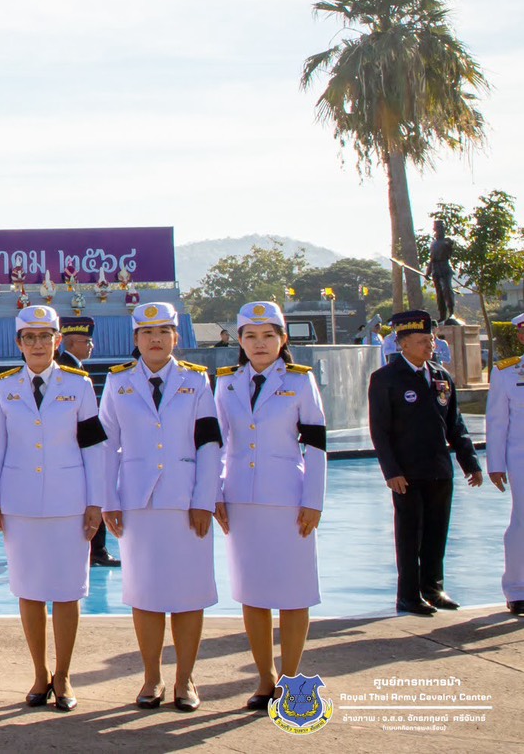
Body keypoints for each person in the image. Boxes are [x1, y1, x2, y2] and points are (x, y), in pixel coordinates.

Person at [0, 305, 105, 712]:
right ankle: (40, 673)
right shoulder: (4, 387)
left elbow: (93, 446)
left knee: (68, 592)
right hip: (19, 503)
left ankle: (64, 675)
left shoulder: (79, 385)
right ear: (19, 344)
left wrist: (96, 501)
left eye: (45, 337)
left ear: (58, 341)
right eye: (29, 338)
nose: (37, 345)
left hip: (69, 502)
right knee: (29, 590)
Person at [100, 302, 220, 712]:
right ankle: (152, 677)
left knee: (189, 593)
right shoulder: (118, 382)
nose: (155, 339)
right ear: (135, 339)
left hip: (186, 501)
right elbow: (107, 445)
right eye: (147, 332)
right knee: (145, 593)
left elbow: (209, 442)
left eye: (164, 331)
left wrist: (204, 499)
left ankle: (185, 679)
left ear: (176, 337)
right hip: (138, 502)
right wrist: (109, 499)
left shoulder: (197, 380)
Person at [212, 302, 327, 712]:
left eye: (268, 335)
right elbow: (217, 443)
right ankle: (265, 678)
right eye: (251, 336)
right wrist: (215, 492)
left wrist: (313, 500)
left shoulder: (300, 381)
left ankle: (292, 679)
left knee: (294, 592)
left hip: (288, 499)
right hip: (240, 500)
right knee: (253, 592)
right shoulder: (227, 383)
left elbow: (316, 444)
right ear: (240, 341)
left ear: (282, 338)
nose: (259, 344)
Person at [368, 310, 483, 614]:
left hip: (439, 469)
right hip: (407, 472)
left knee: (436, 532)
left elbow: (455, 424)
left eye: (430, 339)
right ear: (403, 343)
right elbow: (379, 430)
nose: (429, 345)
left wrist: (470, 463)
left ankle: (434, 588)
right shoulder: (385, 379)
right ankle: (408, 595)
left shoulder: (441, 376)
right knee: (410, 535)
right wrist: (391, 471)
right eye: (422, 340)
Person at [58, 317, 118, 568]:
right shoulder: (70, 371)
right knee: (93, 494)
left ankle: (94, 549)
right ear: (71, 343)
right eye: (87, 341)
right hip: (78, 448)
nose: (91, 346)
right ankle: (97, 550)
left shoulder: (73, 367)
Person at [485, 312, 524, 615]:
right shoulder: (507, 372)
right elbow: (497, 421)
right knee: (522, 523)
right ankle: (517, 589)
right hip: (520, 457)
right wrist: (495, 464)